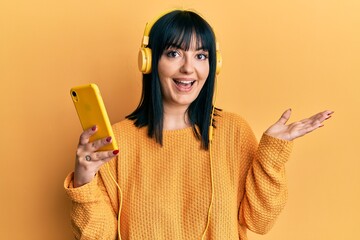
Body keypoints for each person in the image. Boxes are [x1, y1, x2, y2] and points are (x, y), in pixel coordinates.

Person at [64, 9, 333, 240]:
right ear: (148, 62)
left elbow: (260, 221)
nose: (188, 68)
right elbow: (97, 236)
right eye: (174, 54)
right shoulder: (116, 142)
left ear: (213, 66)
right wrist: (84, 180)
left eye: (201, 56)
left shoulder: (233, 132)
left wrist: (271, 157)